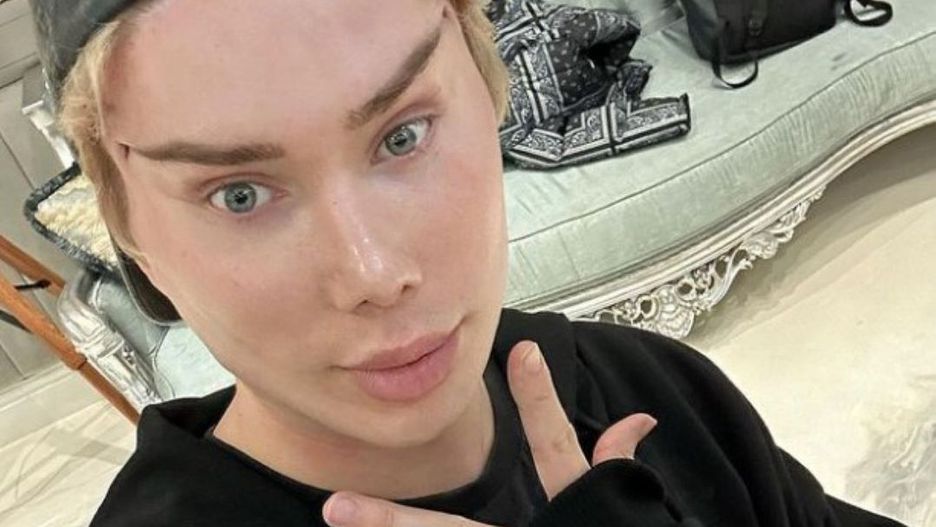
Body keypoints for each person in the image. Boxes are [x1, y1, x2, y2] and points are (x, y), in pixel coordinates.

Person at [31, 0, 905, 525]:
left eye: (402, 135)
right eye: (240, 195)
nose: (374, 273)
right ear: (129, 230)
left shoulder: (645, 391)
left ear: (490, 94)